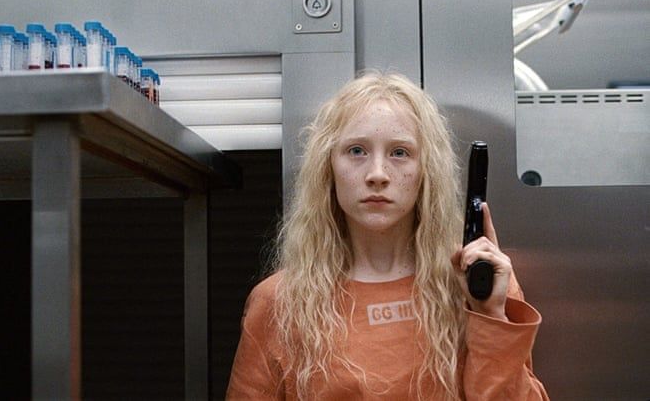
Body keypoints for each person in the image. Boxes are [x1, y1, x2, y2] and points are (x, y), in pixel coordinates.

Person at [226, 71, 549, 400]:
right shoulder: (279, 301)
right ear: (328, 167)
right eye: (356, 151)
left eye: (399, 152)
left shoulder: (480, 284)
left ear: (426, 170)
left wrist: (489, 315)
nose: (377, 174)